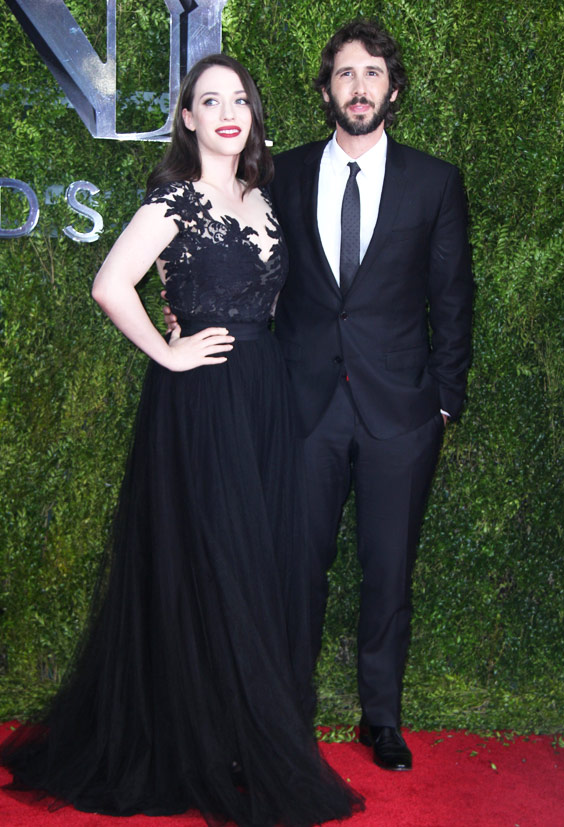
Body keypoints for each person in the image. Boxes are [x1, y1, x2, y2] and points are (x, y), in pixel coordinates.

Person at [1, 54, 362, 827]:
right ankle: (197, 740)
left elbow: (262, 296)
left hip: (262, 398)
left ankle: (230, 735)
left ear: (252, 114)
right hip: (200, 401)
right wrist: (168, 351)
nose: (228, 112)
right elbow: (109, 283)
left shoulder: (260, 196)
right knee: (212, 564)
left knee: (254, 566)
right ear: (188, 118)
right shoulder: (174, 199)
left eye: (239, 99)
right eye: (210, 100)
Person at [270, 21, 474, 772]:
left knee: (389, 572)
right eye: (346, 74)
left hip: (402, 413)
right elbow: (260, 277)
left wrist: (443, 402)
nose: (359, 87)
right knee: (296, 571)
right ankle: (284, 717)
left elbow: (453, 298)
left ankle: (381, 717)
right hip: (304, 408)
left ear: (393, 89)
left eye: (374, 73)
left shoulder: (434, 181)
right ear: (327, 91)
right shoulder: (283, 174)